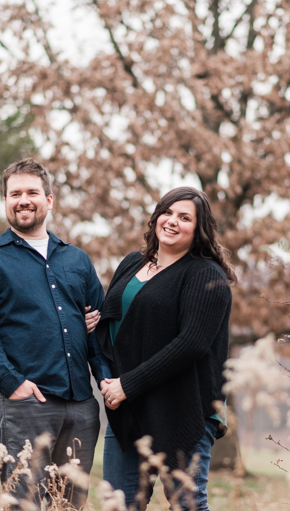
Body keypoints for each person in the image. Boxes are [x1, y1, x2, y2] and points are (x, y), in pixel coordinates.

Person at [0, 158, 111, 508]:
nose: (23, 200)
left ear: (49, 199)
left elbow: (97, 331)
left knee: (69, 504)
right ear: (5, 201)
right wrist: (13, 385)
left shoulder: (77, 260)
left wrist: (103, 379)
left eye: (32, 192)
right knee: (23, 503)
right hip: (26, 403)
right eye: (15, 194)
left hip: (80, 406)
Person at [96, 187, 236, 511]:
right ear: (156, 217)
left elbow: (191, 344)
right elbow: (114, 320)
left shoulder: (207, 276)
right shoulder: (133, 263)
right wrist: (97, 321)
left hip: (183, 407)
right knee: (119, 504)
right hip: (127, 408)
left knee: (186, 504)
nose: (172, 222)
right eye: (168, 212)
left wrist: (127, 385)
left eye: (184, 217)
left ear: (198, 229)